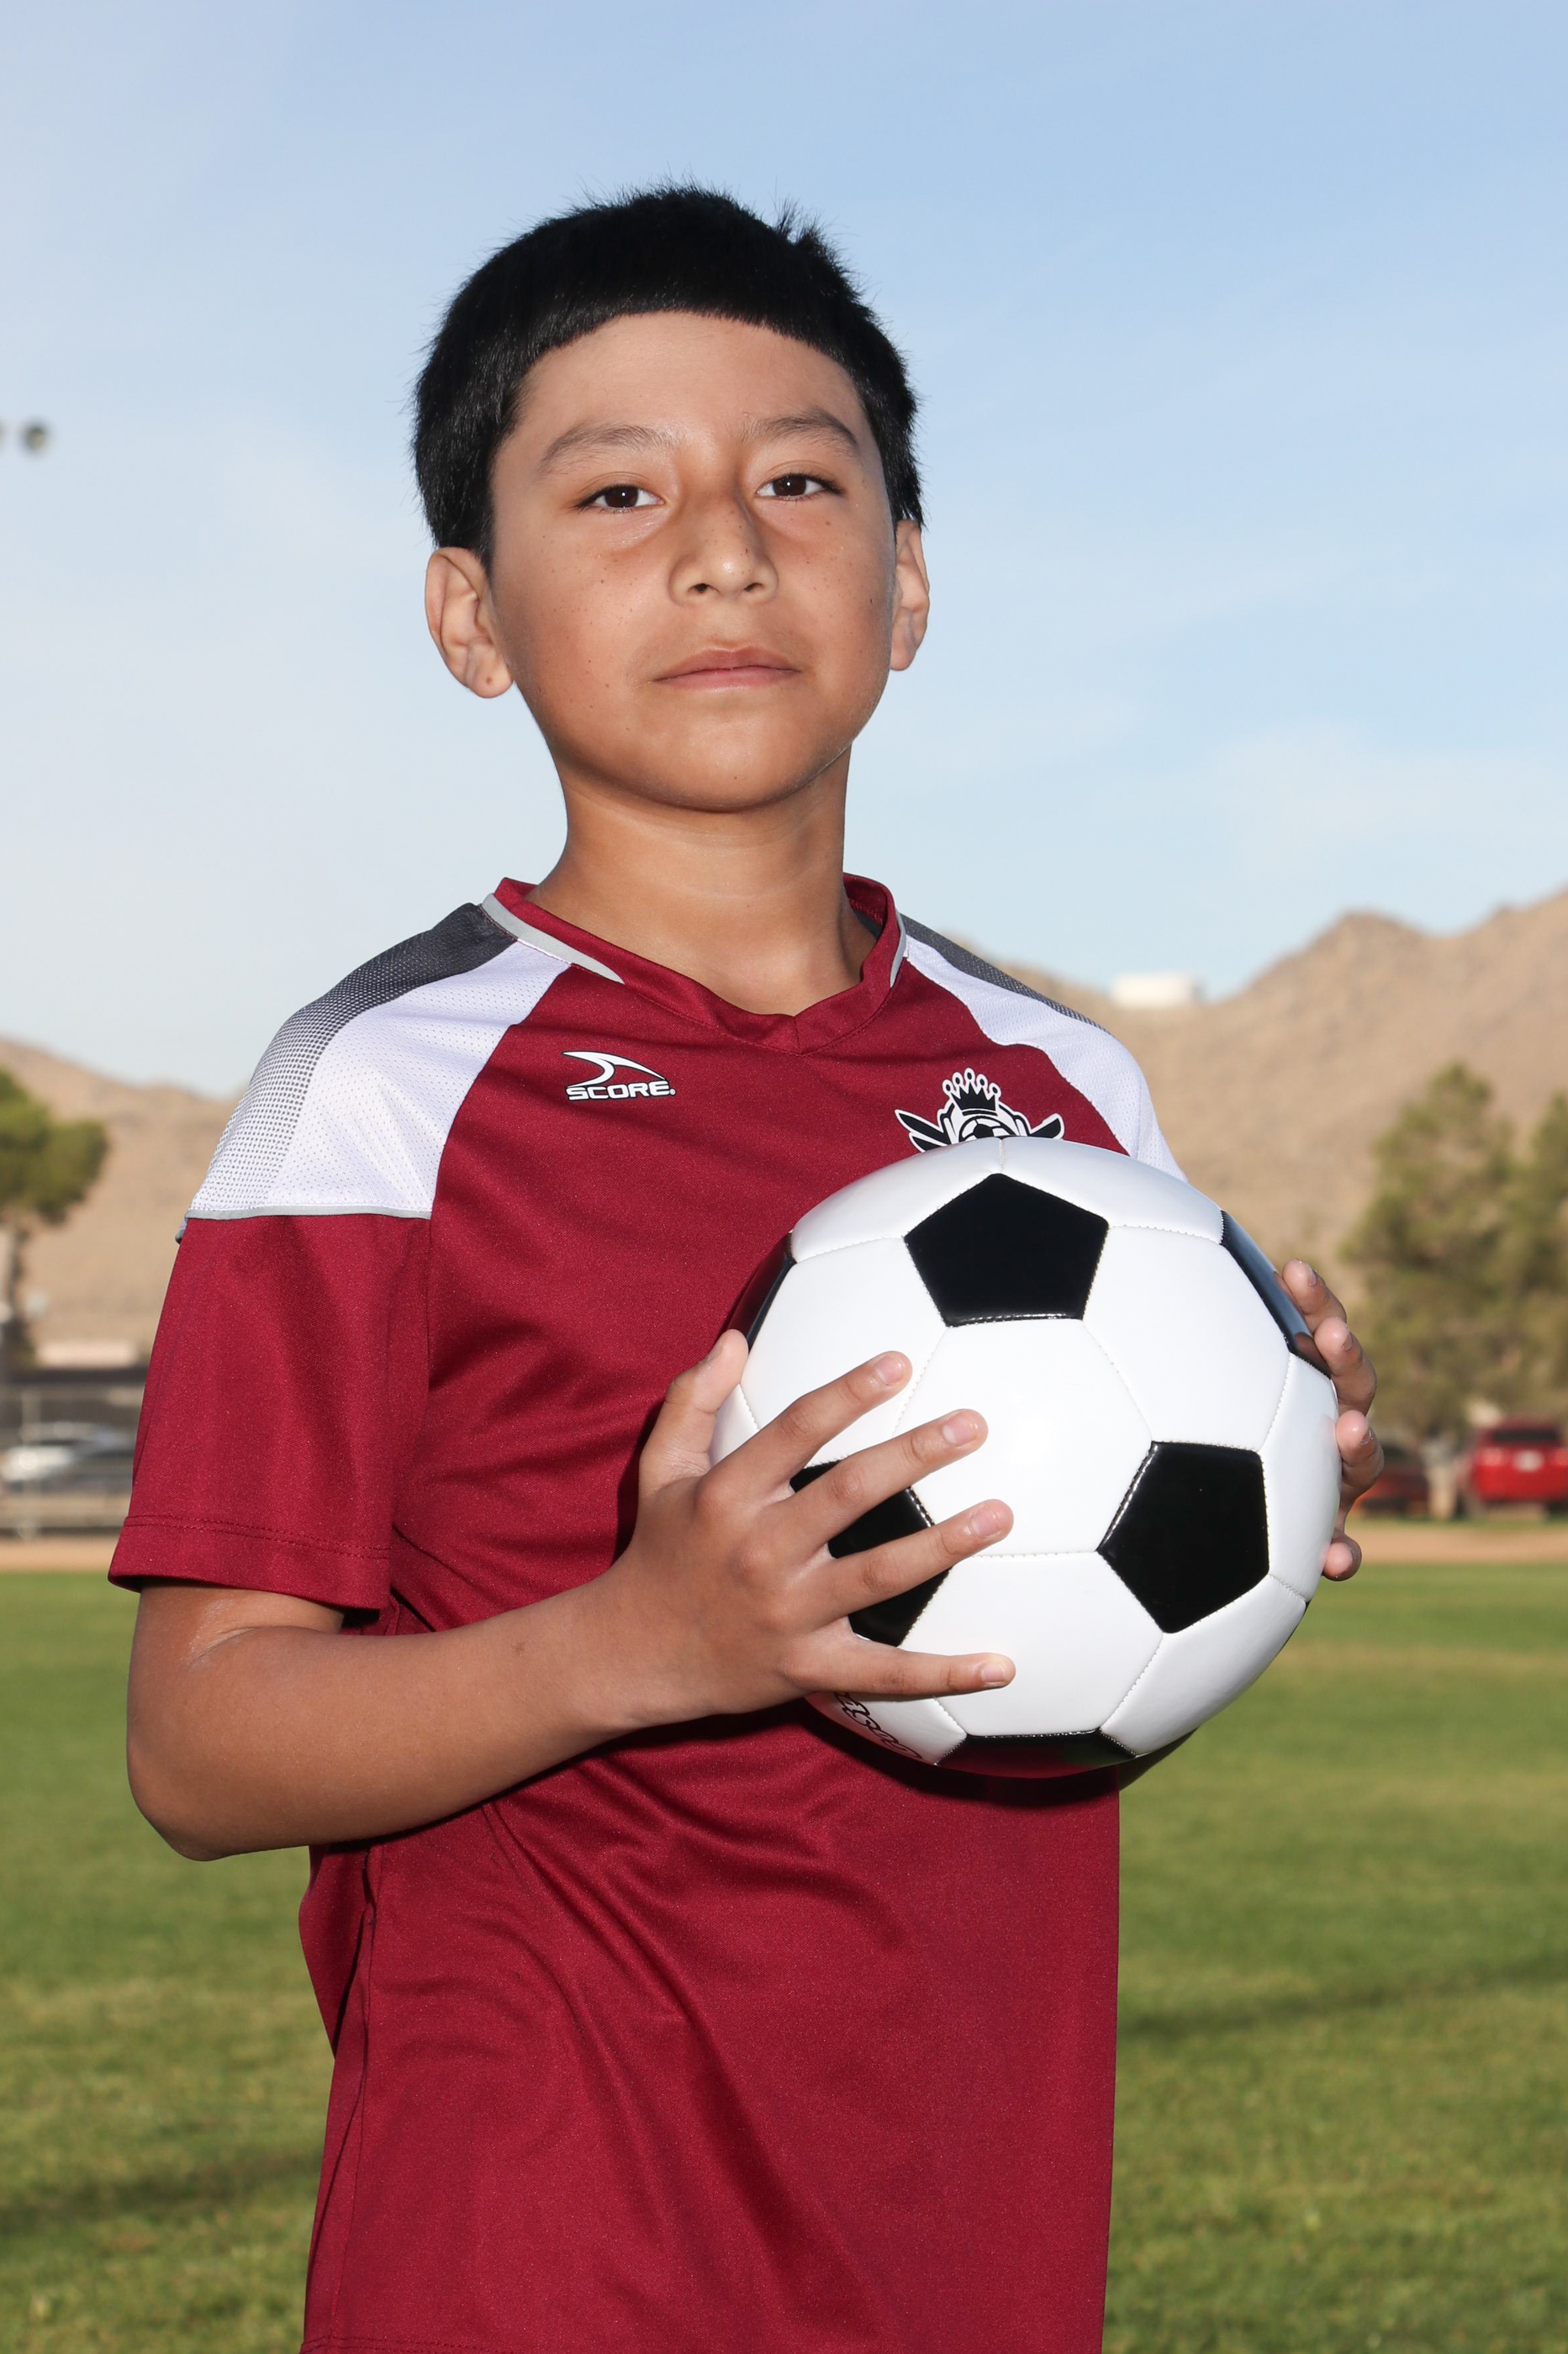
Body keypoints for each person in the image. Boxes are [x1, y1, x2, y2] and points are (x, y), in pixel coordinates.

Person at [116, 186, 1381, 2354]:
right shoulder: (380, 1088)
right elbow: (200, 1747)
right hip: (537, 2251)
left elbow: (1037, 1699)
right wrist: (640, 1642)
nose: (724, 549)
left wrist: (1248, 1490)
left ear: (907, 584)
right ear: (471, 613)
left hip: (967, 2237)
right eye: (617, 493)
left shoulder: (1061, 1084)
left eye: (801, 482)